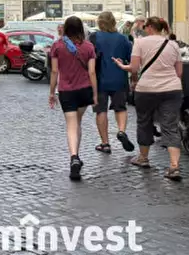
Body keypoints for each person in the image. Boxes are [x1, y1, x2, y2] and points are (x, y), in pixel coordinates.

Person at [114, 17, 183, 180]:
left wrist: (121, 66)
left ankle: (143, 158)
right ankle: (174, 166)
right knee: (170, 126)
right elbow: (179, 72)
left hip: (146, 89)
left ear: (150, 27)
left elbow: (134, 68)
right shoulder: (173, 44)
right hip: (172, 89)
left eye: (145, 26)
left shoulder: (140, 43)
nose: (144, 29)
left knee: (144, 122)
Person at [49, 16, 98, 181]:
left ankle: (74, 156)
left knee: (71, 124)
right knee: (78, 122)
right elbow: (92, 72)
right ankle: (77, 155)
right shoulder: (89, 47)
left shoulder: (57, 46)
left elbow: (55, 71)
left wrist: (51, 92)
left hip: (66, 91)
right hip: (84, 89)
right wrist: (96, 93)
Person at [89, 11, 135, 153]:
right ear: (114, 22)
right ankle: (121, 131)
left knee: (100, 111)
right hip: (119, 78)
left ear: (99, 23)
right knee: (120, 108)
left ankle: (105, 143)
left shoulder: (94, 37)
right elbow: (131, 58)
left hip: (99, 80)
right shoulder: (123, 38)